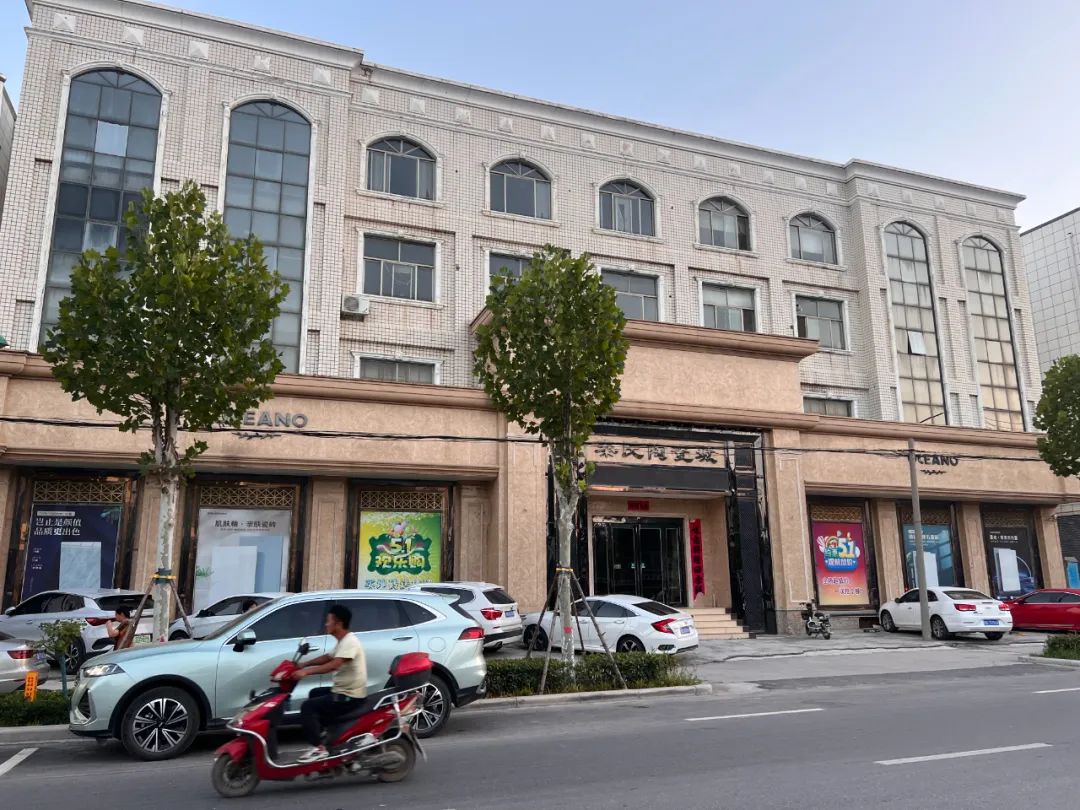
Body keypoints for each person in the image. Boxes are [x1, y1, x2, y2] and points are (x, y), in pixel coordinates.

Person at [292, 604, 368, 763]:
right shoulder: (343, 641)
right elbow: (328, 657)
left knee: (308, 707)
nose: (326, 624)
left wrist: (306, 672)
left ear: (338, 623)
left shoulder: (350, 642)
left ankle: (319, 748)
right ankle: (329, 734)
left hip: (349, 696)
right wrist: (304, 664)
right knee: (314, 693)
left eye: (328, 621)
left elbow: (334, 664)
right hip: (342, 691)